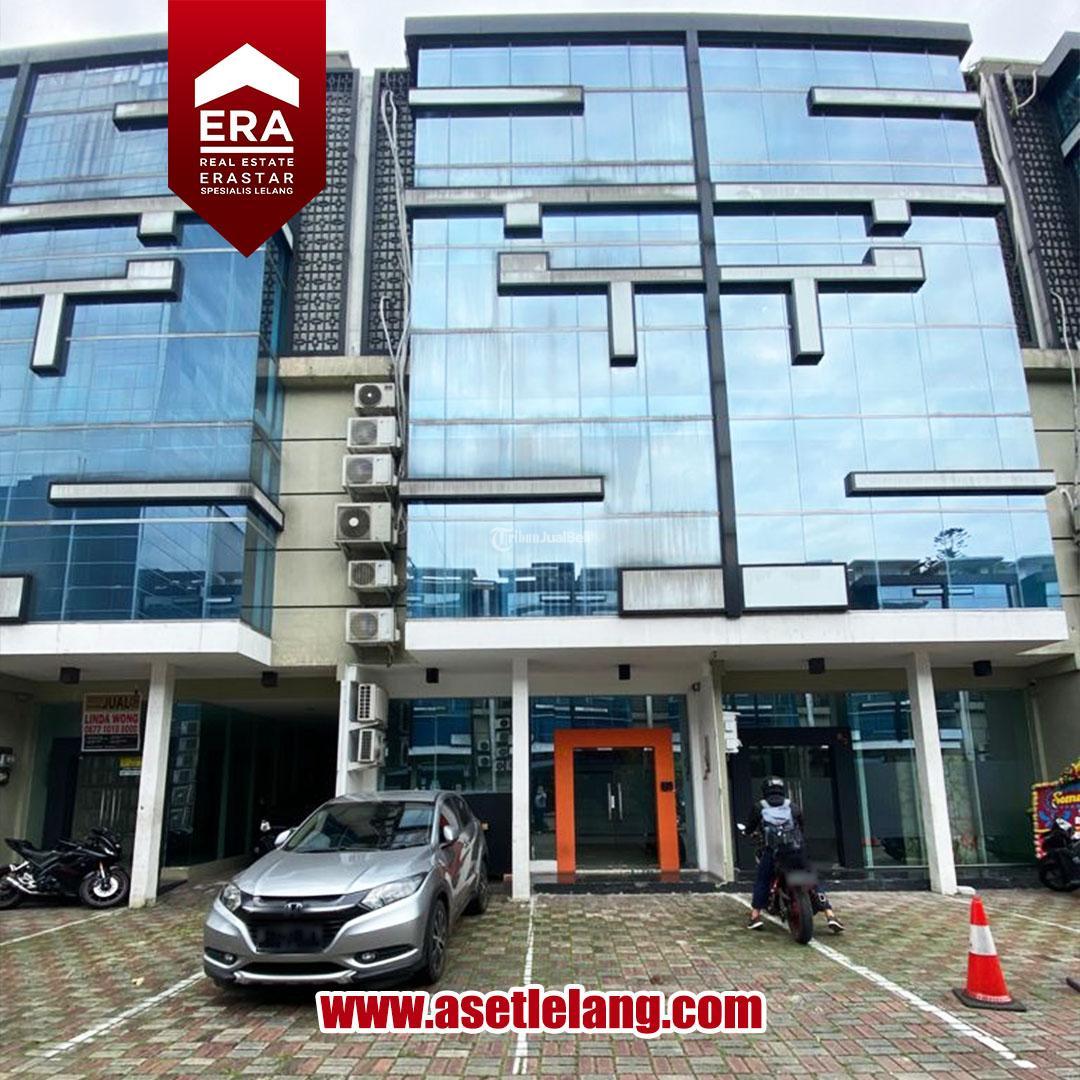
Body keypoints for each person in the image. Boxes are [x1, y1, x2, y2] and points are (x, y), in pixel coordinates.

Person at [745, 776, 844, 933]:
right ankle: (830, 914)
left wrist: (749, 833)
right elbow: (801, 826)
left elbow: (750, 828)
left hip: (774, 852)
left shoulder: (759, 807)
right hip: (796, 850)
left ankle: (755, 916)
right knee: (812, 879)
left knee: (762, 879)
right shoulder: (792, 806)